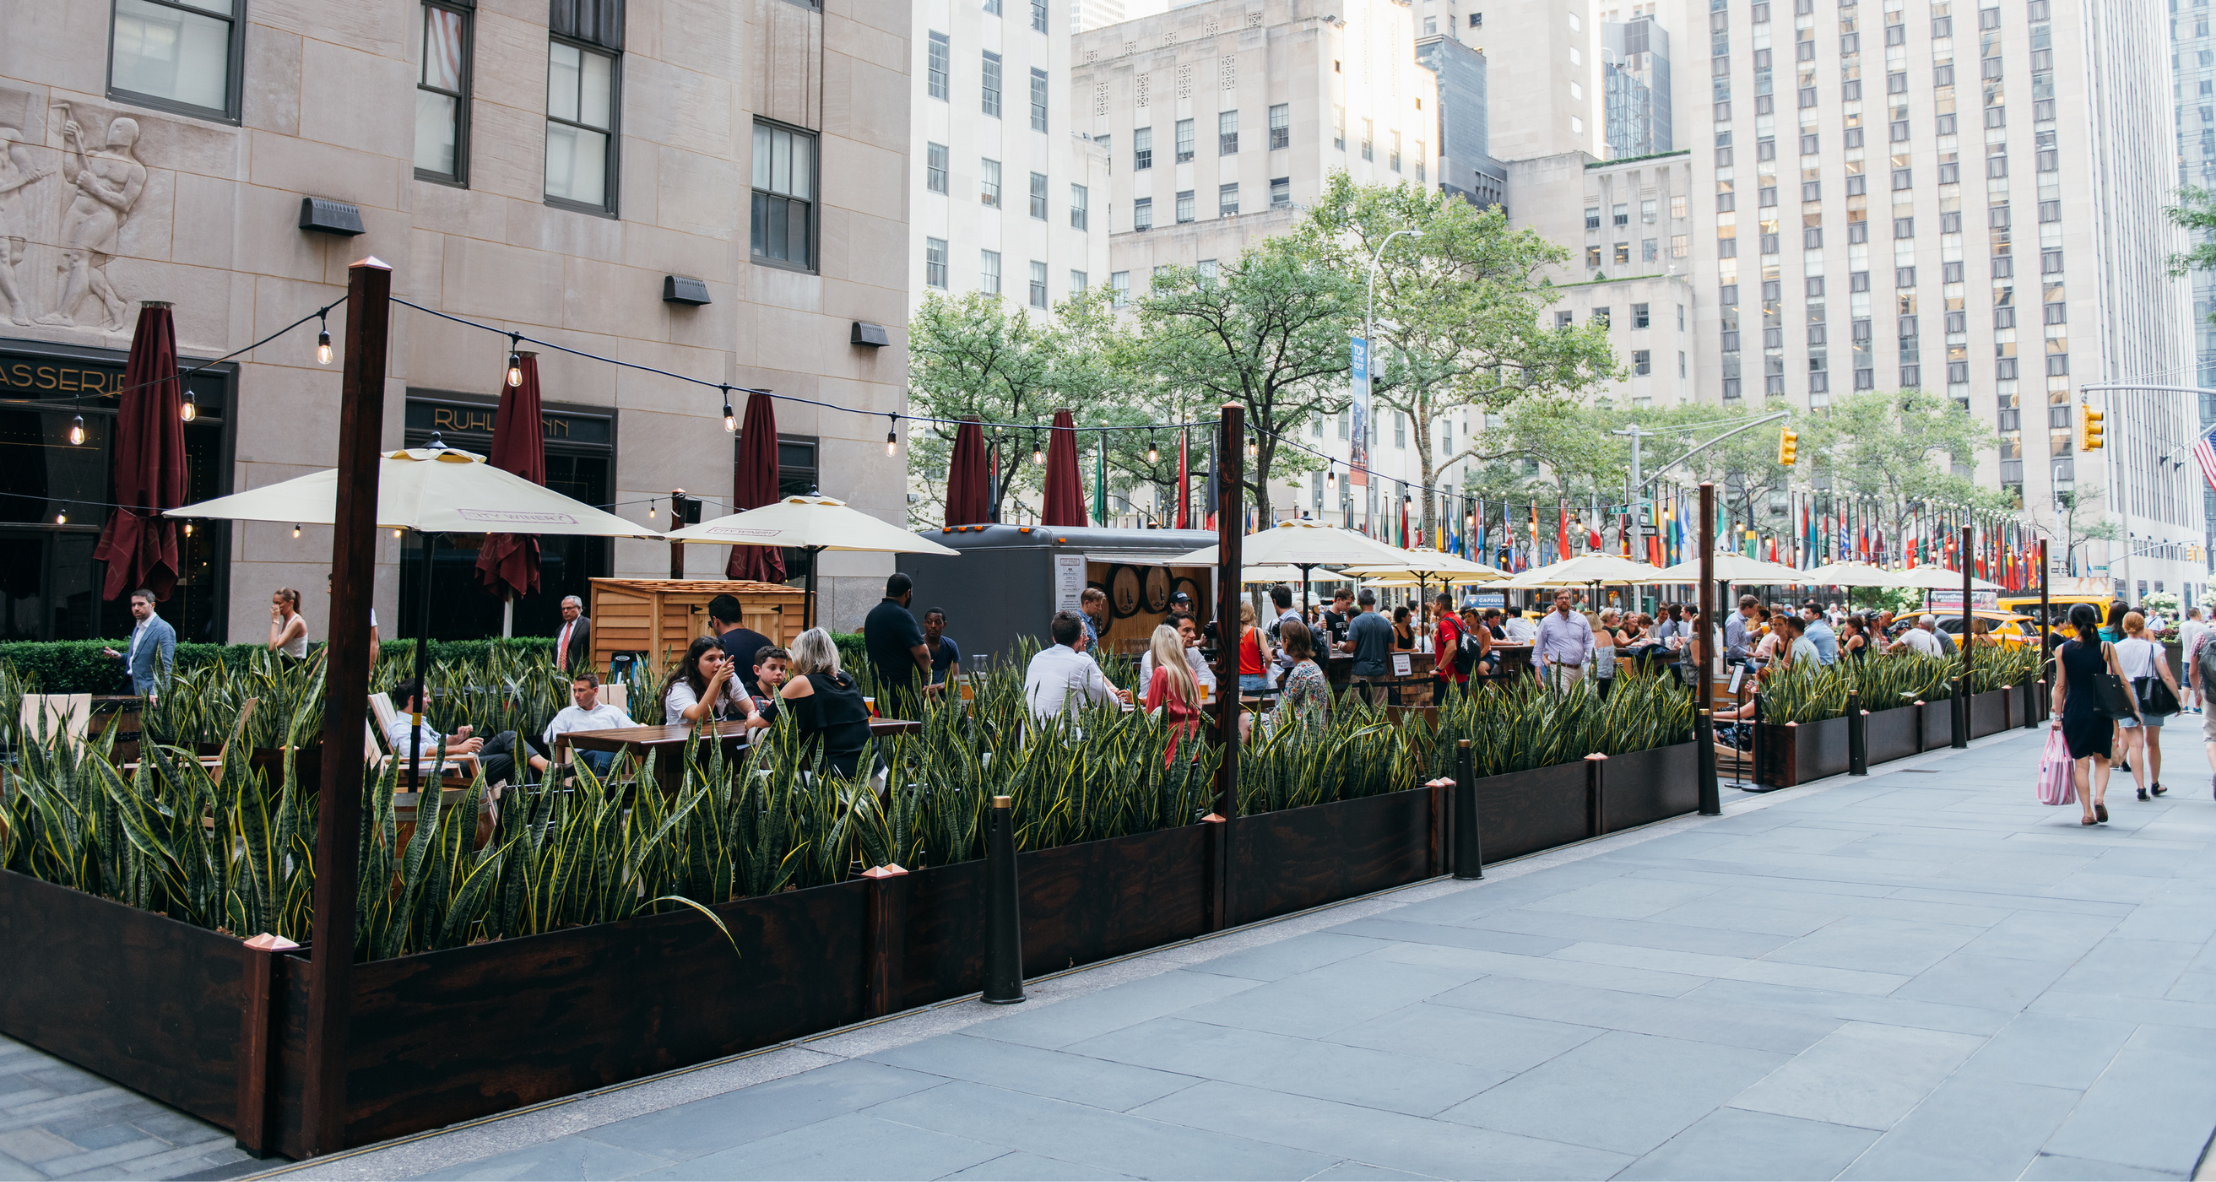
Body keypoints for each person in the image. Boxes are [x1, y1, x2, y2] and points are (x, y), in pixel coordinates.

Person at [2053, 602, 2137, 825]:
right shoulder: (2106, 647)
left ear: (2071, 623)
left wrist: (2057, 717)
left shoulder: (2062, 650)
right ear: (2093, 620)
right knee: (2102, 759)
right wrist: (2133, 709)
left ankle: (2087, 812)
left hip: (2074, 709)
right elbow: (2121, 680)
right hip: (2101, 709)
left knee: (2081, 763)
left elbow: (2060, 686)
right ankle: (2099, 798)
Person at [762, 628, 873, 777]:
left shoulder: (801, 682)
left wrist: (751, 715)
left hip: (839, 780)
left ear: (802, 656)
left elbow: (760, 724)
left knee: (763, 777)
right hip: (874, 774)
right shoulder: (846, 679)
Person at [388, 676, 520, 786]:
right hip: (446, 772)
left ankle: (540, 772)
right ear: (413, 699)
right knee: (514, 760)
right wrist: (459, 749)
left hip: (454, 762)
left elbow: (439, 741)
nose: (429, 700)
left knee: (506, 737)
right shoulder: (399, 727)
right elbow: (412, 751)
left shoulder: (417, 721)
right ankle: (530, 803)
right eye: (425, 696)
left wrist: (458, 738)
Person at [2114, 611, 2181, 801]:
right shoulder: (2154, 649)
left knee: (2135, 744)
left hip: (2126, 694)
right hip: (2150, 694)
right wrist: (2178, 699)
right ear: (2143, 626)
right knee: (2153, 743)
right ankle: (2155, 783)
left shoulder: (2116, 648)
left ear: (2125, 626)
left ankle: (2140, 788)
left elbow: (2111, 674)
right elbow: (2166, 675)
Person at [1024, 610, 1131, 720]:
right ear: (1080, 639)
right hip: (1063, 736)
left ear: (1054, 639)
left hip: (1028, 736)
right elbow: (1110, 703)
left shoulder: (1037, 658)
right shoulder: (1081, 663)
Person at [532, 672, 632, 779]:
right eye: (575, 690)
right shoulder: (567, 714)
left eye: (581, 690)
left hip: (613, 759)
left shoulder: (612, 712)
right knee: (607, 752)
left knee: (610, 751)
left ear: (595, 691)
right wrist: (574, 738)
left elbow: (633, 731)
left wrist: (642, 727)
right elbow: (548, 737)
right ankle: (597, 787)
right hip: (584, 757)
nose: (576, 695)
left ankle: (594, 787)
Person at [863, 573, 931, 720]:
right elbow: (922, 653)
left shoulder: (872, 615)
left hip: (878, 690)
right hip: (902, 693)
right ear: (908, 593)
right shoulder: (902, 615)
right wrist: (927, 672)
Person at [661, 635, 755, 726]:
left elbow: (751, 709)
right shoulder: (680, 687)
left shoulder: (730, 678)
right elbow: (698, 718)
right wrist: (717, 681)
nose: (719, 664)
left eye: (721, 658)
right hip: (685, 740)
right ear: (694, 663)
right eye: (711, 659)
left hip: (720, 739)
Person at [1141, 623, 1202, 761]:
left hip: (1170, 744)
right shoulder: (1190, 672)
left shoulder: (1161, 672)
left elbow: (1152, 712)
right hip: (1193, 743)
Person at [102, 588, 174, 699]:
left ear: (152, 605)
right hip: (129, 685)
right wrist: (120, 656)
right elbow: (138, 658)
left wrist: (155, 692)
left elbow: (165, 666)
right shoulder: (138, 627)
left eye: (141, 604)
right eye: (133, 605)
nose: (136, 608)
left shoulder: (164, 629)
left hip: (147, 690)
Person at [707, 594, 772, 697]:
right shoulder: (767, 642)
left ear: (715, 621)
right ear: (741, 615)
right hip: (766, 708)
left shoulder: (717, 647)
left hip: (733, 708)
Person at [1140, 612, 1217, 697]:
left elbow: (1212, 684)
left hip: (1189, 707)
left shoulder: (1194, 653)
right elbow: (1169, 688)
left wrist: (1189, 687)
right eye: (1186, 630)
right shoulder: (1151, 656)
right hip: (1153, 709)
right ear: (1171, 633)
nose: (1193, 635)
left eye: (1193, 630)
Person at [1533, 589, 1595, 691]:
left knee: (1579, 702)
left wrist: (1590, 658)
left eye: (1567, 598)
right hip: (1559, 669)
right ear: (1555, 601)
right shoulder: (1547, 622)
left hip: (1579, 668)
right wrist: (1537, 670)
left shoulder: (1580, 619)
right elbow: (1539, 647)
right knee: (1563, 702)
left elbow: (1589, 640)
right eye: (1561, 598)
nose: (1564, 600)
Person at [1277, 619, 1331, 733]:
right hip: (1316, 731)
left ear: (1287, 642)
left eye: (1281, 639)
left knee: (1245, 719)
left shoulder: (1299, 672)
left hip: (1299, 732)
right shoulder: (1314, 666)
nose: (1280, 643)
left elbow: (1282, 709)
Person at [1341, 589, 1394, 703]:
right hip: (1381, 670)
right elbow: (1391, 650)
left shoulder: (1356, 622)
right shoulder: (1386, 622)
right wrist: (1389, 671)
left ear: (1359, 602)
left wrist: (1340, 645)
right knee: (1379, 711)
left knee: (1355, 711)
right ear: (1374, 601)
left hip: (1361, 670)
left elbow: (1350, 647)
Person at [325, 572, 380, 665]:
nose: (328, 591)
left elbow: (373, 643)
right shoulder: (339, 610)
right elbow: (332, 644)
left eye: (332, 586)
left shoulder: (363, 609)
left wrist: (370, 673)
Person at [1432, 592, 1469, 700]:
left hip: (1448, 677)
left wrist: (1439, 669)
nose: (1433, 607)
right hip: (1461, 674)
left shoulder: (1445, 623)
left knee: (1445, 714)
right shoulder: (1460, 621)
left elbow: (1452, 647)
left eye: (1435, 604)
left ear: (1440, 605)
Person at [1236, 601, 1275, 694]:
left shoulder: (1232, 632)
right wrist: (1267, 666)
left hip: (1239, 678)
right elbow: (1268, 657)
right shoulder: (1257, 632)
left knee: (1243, 708)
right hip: (1259, 677)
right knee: (1259, 707)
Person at [921, 607, 961, 695]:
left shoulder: (950, 645)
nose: (933, 625)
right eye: (929, 622)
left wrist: (939, 686)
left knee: (961, 705)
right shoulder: (917, 645)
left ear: (944, 624)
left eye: (937, 622)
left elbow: (955, 677)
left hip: (944, 692)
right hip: (923, 693)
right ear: (924, 623)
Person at [1267, 584, 1303, 672]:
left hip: (1292, 668)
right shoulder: (1295, 616)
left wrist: (1275, 652)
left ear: (1274, 602)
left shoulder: (1290, 622)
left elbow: (1291, 654)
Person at [554, 595, 592, 675]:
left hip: (578, 675)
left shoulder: (588, 625)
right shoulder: (560, 629)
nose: (565, 611)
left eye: (569, 608)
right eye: (563, 609)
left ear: (578, 608)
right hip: (558, 674)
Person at [267, 588, 309, 660]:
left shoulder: (297, 622)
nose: (275, 607)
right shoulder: (287, 621)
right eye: (274, 603)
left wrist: (275, 621)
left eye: (278, 603)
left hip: (294, 666)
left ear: (290, 603)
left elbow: (272, 647)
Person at [2181, 607, 2209, 712]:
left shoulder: (2182, 626)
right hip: (2200, 657)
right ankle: (2197, 706)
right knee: (2200, 681)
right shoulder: (2203, 627)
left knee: (2185, 682)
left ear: (2188, 615)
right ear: (2198, 614)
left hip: (2186, 656)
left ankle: (2184, 705)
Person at [751, 647, 792, 712]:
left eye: (782, 668)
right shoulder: (747, 693)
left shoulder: (789, 691)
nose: (779, 672)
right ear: (757, 670)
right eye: (772, 668)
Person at [1724, 595, 1758, 666]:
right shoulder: (1735, 622)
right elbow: (1733, 647)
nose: (1755, 613)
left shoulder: (1739, 620)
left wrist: (1758, 632)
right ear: (1748, 608)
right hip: (1735, 661)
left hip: (1738, 659)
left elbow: (1742, 636)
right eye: (1754, 610)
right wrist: (1751, 654)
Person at [1078, 586, 1110, 651]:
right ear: (1087, 603)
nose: (1100, 609)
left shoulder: (1090, 620)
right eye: (1097, 605)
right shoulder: (1078, 621)